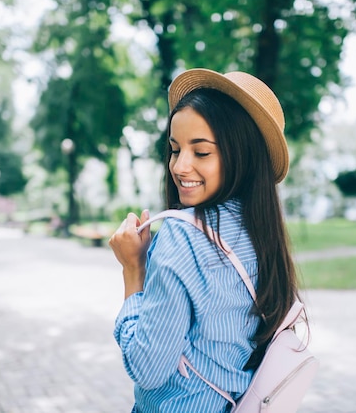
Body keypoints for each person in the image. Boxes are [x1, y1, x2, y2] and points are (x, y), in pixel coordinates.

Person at [109, 68, 304, 413]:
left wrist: (133, 270)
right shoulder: (260, 230)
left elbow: (147, 369)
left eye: (201, 153)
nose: (180, 166)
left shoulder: (181, 235)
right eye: (174, 149)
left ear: (240, 155)